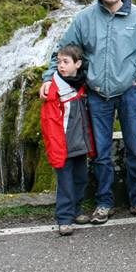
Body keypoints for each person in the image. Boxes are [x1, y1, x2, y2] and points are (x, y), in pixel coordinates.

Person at [41, 0, 136, 224]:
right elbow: (61, 51)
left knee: (135, 149)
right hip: (96, 95)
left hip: (130, 93)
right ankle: (104, 203)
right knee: (101, 152)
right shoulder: (84, 18)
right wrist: (48, 78)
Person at [40, 43, 95, 236]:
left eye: (66, 62)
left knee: (80, 179)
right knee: (64, 181)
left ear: (78, 64)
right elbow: (50, 123)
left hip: (80, 143)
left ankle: (76, 211)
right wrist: (55, 147)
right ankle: (63, 218)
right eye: (59, 62)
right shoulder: (54, 89)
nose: (61, 66)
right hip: (63, 145)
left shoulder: (83, 84)